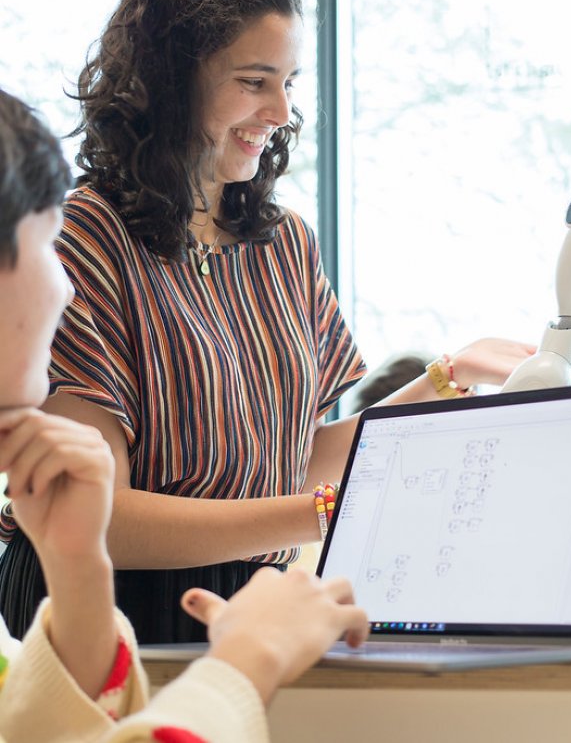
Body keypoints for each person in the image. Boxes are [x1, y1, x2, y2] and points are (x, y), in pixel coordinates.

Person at [0, 0, 571, 644]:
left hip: (250, 597)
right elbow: (93, 512)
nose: (283, 112)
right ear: (171, 81)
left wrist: (447, 380)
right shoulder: (85, 235)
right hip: (114, 607)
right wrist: (326, 513)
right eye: (255, 82)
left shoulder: (284, 242)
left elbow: (293, 457)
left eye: (288, 84)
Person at [0, 85, 368, 742]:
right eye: (48, 240)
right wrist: (248, 659)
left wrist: (80, 569)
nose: (64, 285)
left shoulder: (286, 243)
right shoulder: (104, 235)